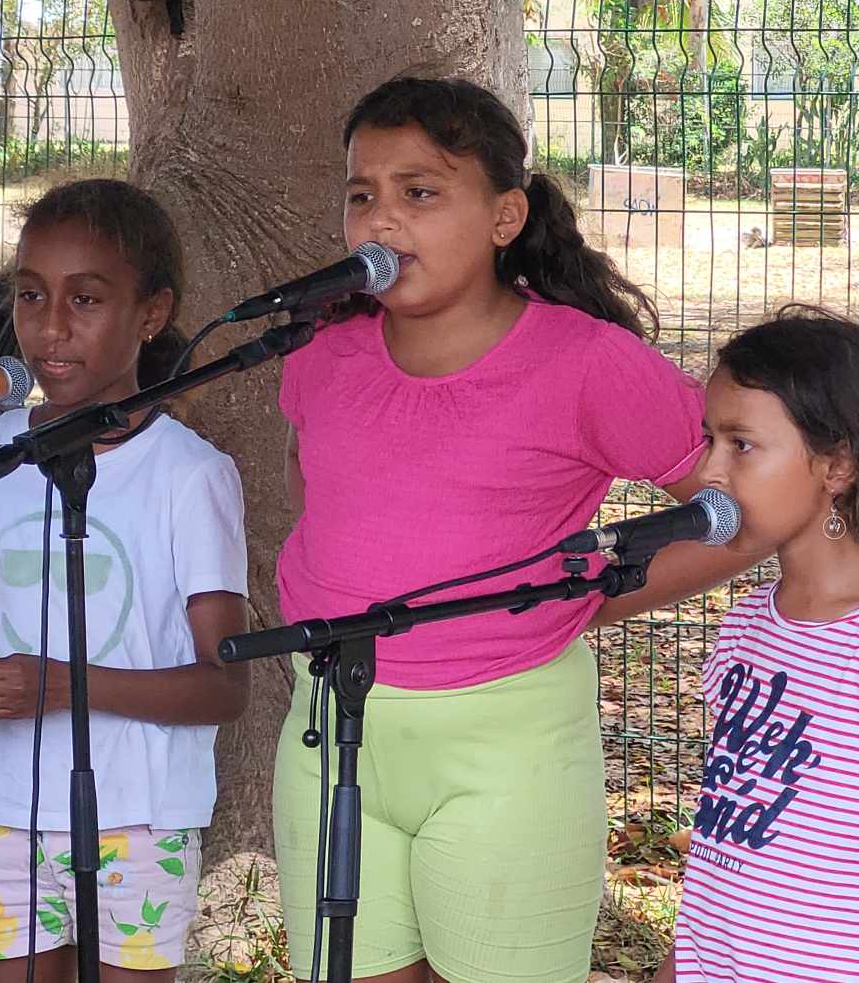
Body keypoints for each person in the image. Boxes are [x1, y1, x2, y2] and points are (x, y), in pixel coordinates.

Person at [271, 77, 751, 983]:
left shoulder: (587, 363)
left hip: (508, 747)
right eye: (362, 195)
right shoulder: (322, 349)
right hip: (329, 727)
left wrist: (584, 600)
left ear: (504, 217)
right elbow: (319, 491)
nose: (381, 220)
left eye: (420, 192)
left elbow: (739, 514)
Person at [0, 179, 251, 980]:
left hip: (142, 818)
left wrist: (66, 687)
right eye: (31, 295)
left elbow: (224, 687)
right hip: (3, 811)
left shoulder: (189, 475)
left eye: (85, 299)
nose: (51, 327)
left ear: (153, 313)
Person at [661, 306, 859, 982]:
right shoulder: (747, 626)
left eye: (741, 444)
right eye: (709, 440)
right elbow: (720, 863)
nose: (710, 471)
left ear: (836, 466)